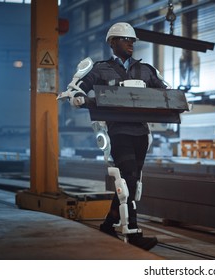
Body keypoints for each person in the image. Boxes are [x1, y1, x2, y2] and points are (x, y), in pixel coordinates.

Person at [69, 22, 168, 251]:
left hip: (141, 133)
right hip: (118, 132)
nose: (130, 44)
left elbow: (164, 93)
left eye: (132, 40)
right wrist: (79, 97)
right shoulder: (101, 69)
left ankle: (108, 224)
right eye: (125, 40)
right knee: (129, 179)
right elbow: (79, 88)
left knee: (132, 183)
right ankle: (133, 232)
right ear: (112, 43)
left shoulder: (146, 70)